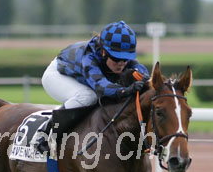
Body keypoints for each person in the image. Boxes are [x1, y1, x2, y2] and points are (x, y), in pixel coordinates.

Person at [35, 20, 149, 154]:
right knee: (88, 96)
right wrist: (124, 90)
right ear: (104, 52)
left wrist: (146, 79)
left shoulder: (119, 57)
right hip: (57, 75)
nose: (122, 63)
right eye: (117, 58)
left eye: (125, 59)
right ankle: (45, 132)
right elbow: (100, 85)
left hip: (80, 75)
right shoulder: (89, 57)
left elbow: (141, 70)